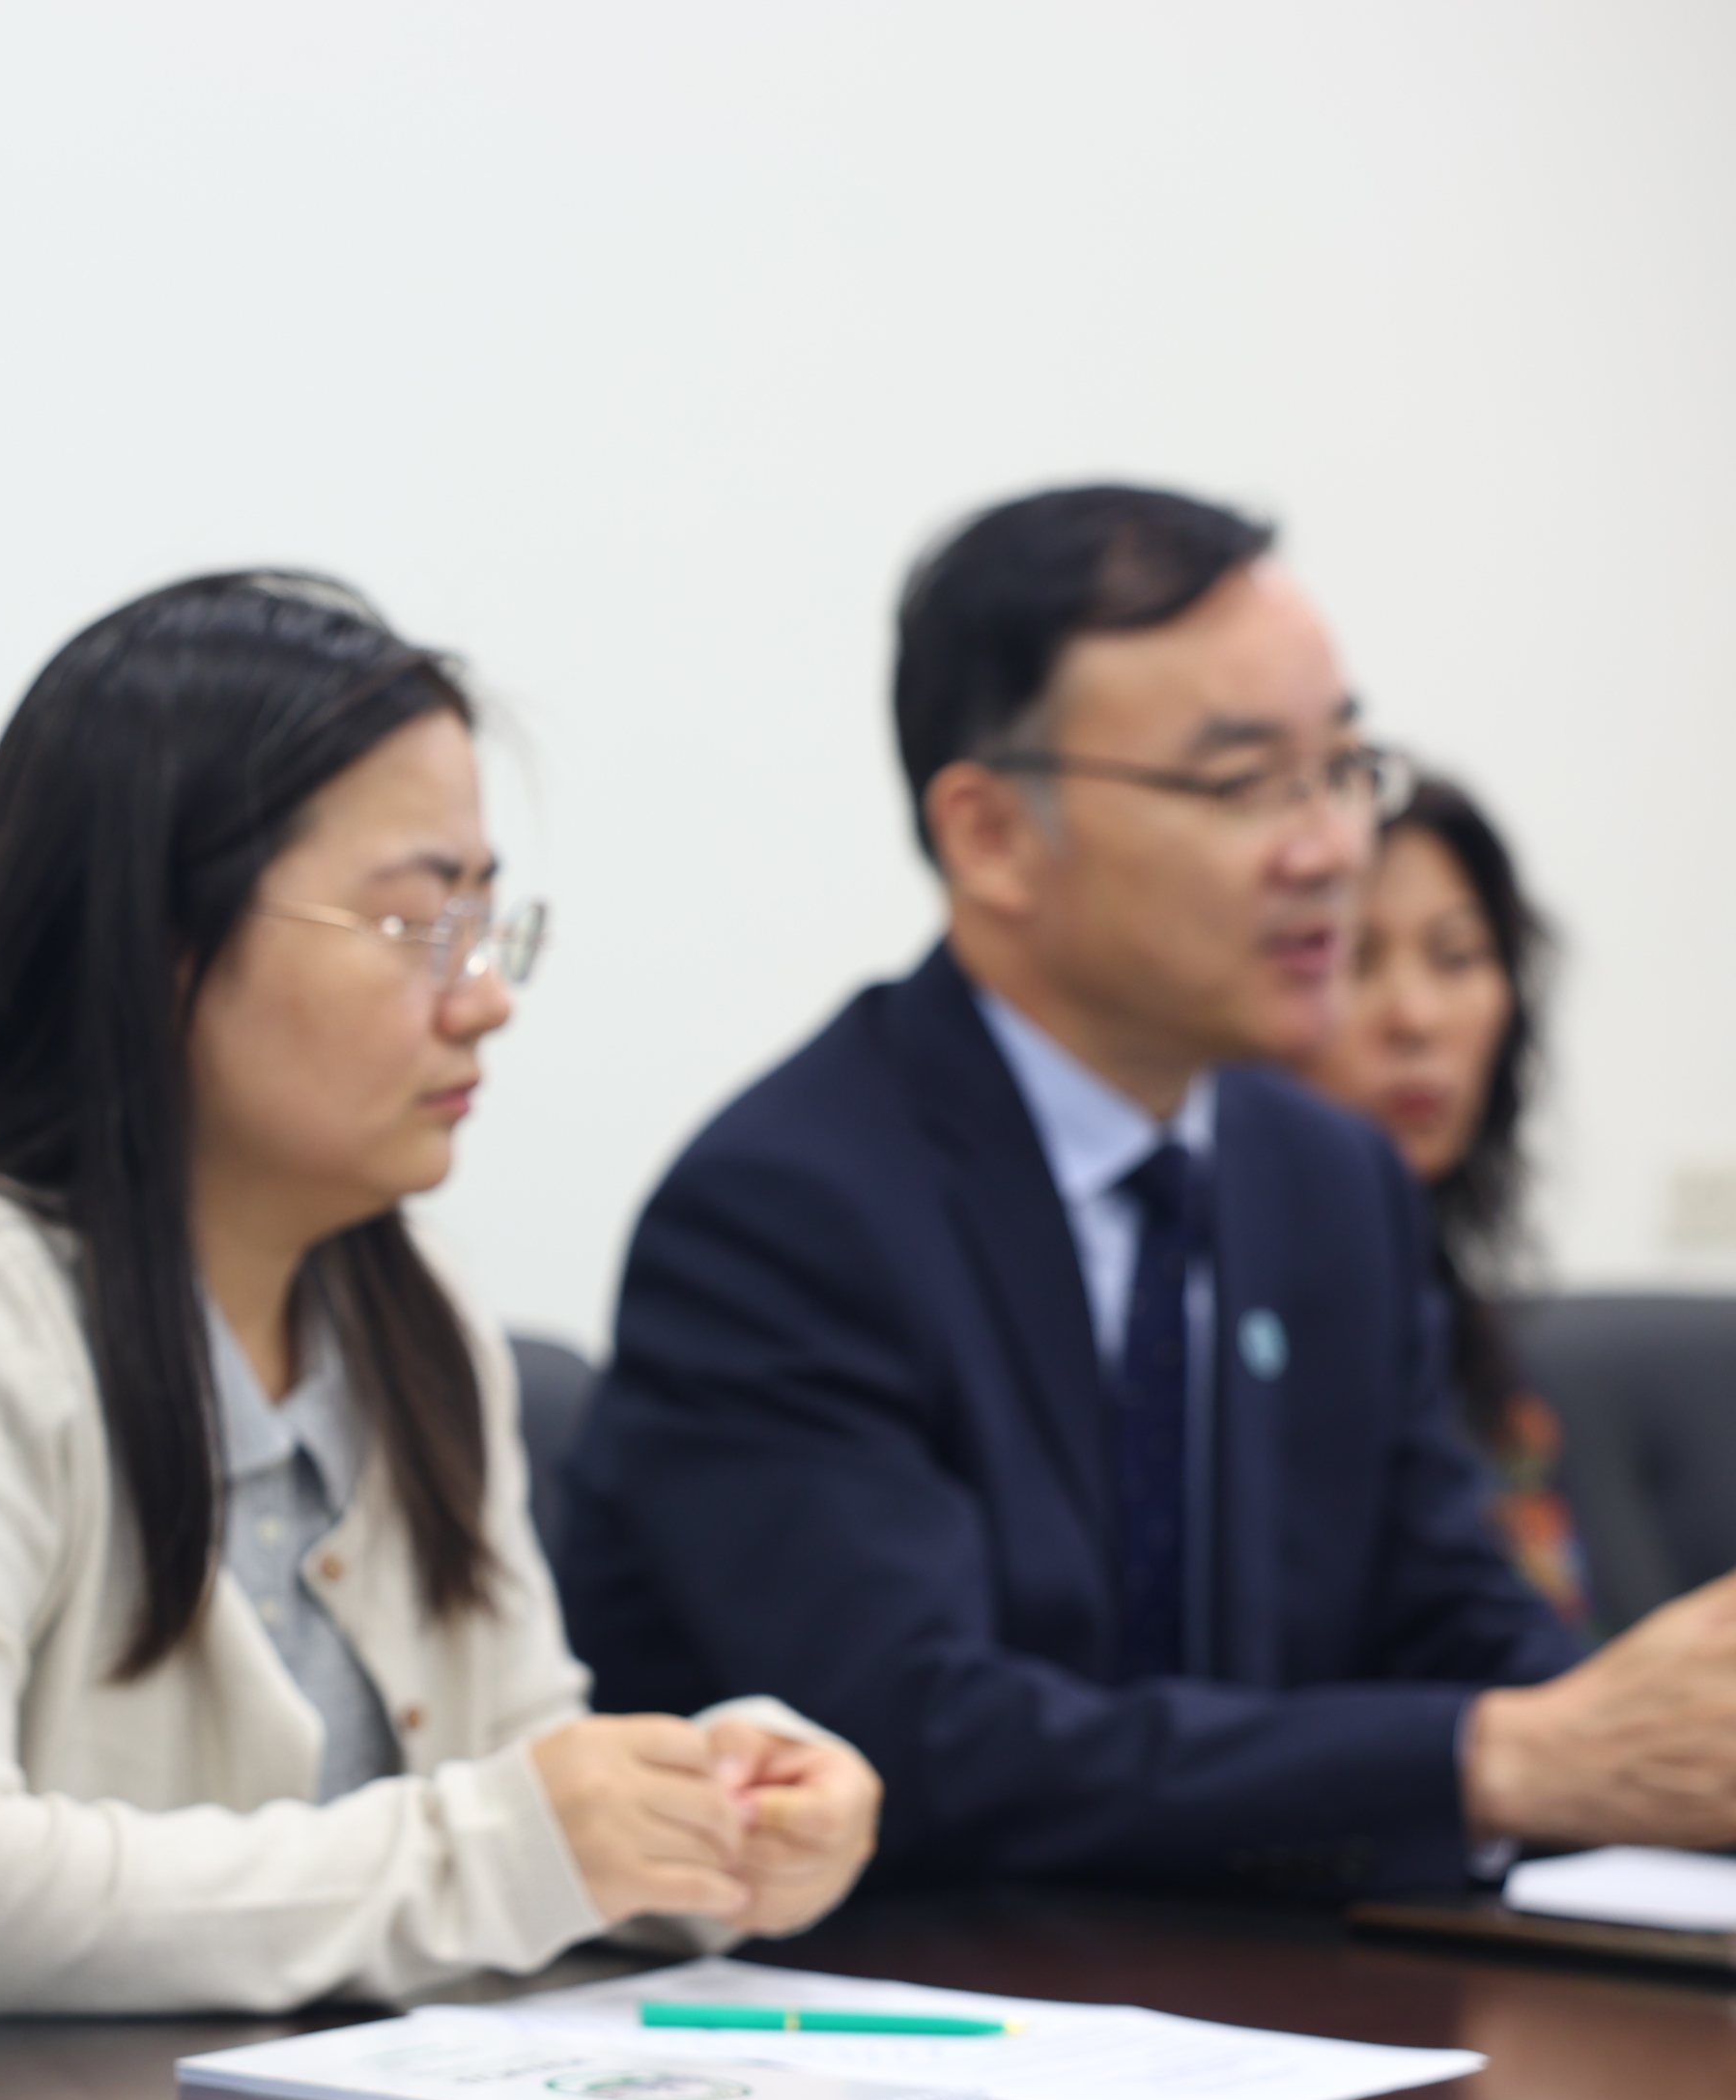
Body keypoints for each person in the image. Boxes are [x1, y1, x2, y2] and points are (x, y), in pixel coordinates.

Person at [0, 573, 881, 2057]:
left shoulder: (410, 1303)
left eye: (487, 923)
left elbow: (513, 1786)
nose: (484, 1000)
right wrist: (517, 1848)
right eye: (417, 922)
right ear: (159, 939)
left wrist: (706, 1818)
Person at [558, 484, 1736, 1899]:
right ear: (992, 836)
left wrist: (1654, 1735)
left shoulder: (1331, 1179)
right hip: (908, 1996)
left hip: (1282, 1995)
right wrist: (1489, 1760)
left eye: (1342, 767)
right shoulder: (785, 1210)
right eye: (1243, 786)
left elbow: (1454, 1626)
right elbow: (916, 1737)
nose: (1331, 851)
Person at [1300, 772, 1591, 1631]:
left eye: (1457, 957)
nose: (1416, 1018)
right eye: (1354, 958)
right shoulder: (1232, 1320)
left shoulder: (1454, 1310)